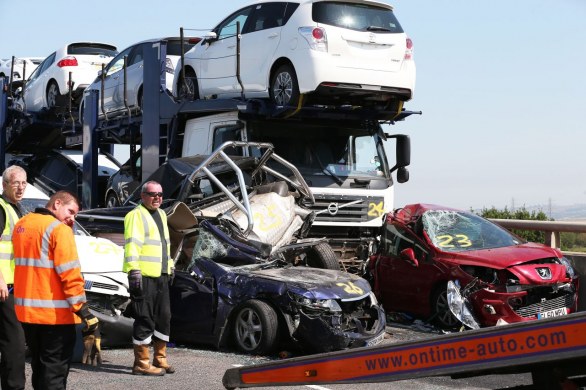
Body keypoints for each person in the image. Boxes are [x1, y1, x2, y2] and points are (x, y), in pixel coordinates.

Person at [12, 190, 98, 390]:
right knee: (55, 375)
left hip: (27, 315)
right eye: (71, 211)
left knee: (39, 369)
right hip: (55, 317)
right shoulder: (59, 230)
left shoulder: (22, 225)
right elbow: (69, 274)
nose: (72, 218)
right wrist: (83, 310)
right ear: (57, 203)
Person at [124, 180, 174, 376]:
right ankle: (142, 363)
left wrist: (169, 266)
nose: (158, 198)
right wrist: (133, 271)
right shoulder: (135, 215)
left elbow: (165, 245)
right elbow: (132, 246)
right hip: (143, 275)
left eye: (160, 194)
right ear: (143, 196)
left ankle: (160, 358)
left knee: (164, 317)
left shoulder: (162, 214)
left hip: (161, 274)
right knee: (145, 318)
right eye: (153, 194)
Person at [0, 166, 27, 390]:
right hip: (4, 286)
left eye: (24, 183)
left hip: (13, 285)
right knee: (15, 344)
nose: (20, 187)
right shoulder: (1, 208)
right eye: (16, 183)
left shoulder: (16, 208)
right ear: (5, 185)